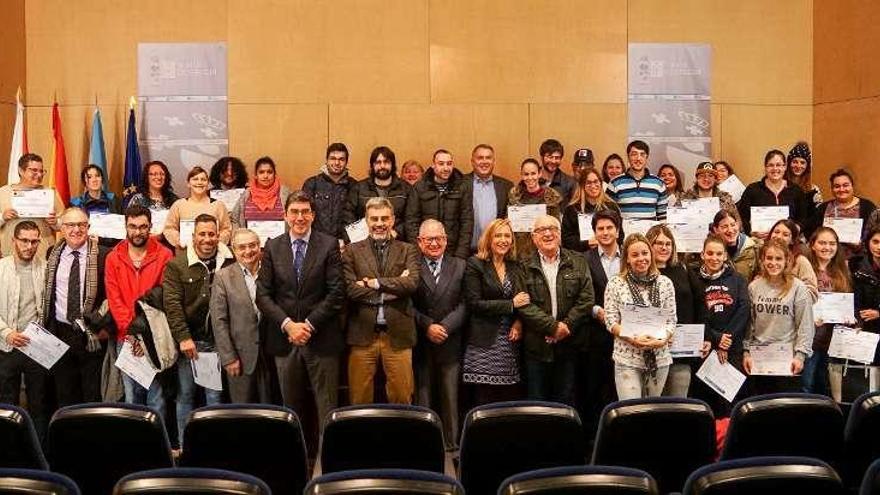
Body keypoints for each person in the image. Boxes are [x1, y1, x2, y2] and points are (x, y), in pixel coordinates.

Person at [256, 192, 345, 426]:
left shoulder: (328, 245)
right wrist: (288, 325)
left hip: (321, 338)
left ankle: (326, 460)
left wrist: (307, 325)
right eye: (294, 212)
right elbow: (263, 295)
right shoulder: (273, 247)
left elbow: (337, 293)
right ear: (285, 216)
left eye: (305, 212)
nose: (300, 217)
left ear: (313, 215)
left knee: (327, 408)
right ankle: (297, 458)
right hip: (284, 340)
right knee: (291, 410)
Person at [163, 213, 235, 445]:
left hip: (219, 342)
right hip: (190, 343)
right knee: (186, 396)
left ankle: (213, 449)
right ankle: (186, 448)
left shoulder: (230, 260)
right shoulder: (177, 265)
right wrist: (183, 337)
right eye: (202, 234)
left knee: (214, 397)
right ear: (193, 236)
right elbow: (172, 304)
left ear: (218, 236)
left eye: (211, 234)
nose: (207, 239)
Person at [343, 197, 420, 404]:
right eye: (374, 218)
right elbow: (350, 290)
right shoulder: (351, 251)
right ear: (366, 221)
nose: (379, 224)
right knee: (359, 399)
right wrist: (396, 286)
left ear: (393, 220)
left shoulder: (408, 249)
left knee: (402, 398)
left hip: (398, 335)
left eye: (384, 218)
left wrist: (372, 284)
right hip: (362, 334)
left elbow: (412, 283)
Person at [518, 215, 594, 406]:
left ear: (560, 234)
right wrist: (553, 327)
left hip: (569, 345)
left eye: (553, 228)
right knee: (536, 404)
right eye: (541, 230)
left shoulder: (577, 260)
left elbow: (587, 299)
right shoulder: (522, 265)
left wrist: (565, 327)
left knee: (566, 402)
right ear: (533, 237)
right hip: (536, 347)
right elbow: (523, 305)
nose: (548, 233)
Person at [105, 205, 173, 414]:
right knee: (132, 396)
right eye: (133, 227)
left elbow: (162, 299)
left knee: (156, 397)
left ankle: (157, 444)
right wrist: (132, 333)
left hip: (154, 338)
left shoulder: (164, 255)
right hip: (126, 338)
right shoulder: (113, 257)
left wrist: (144, 335)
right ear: (126, 226)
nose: (138, 232)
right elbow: (114, 299)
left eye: (143, 227)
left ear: (150, 227)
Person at [41, 207, 111, 406]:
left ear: (88, 227)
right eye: (70, 225)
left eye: (81, 224)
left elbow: (112, 296)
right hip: (60, 333)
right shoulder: (52, 254)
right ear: (61, 228)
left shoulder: (104, 255)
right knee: (65, 394)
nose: (76, 230)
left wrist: (104, 328)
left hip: (92, 334)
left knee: (92, 395)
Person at [412, 219, 466, 451]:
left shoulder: (461, 265)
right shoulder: (411, 264)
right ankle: (424, 445)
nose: (434, 243)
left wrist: (445, 326)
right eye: (429, 239)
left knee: (450, 397)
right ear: (419, 242)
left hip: (450, 340)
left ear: (446, 240)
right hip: (420, 341)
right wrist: (427, 326)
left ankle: (452, 447)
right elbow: (405, 305)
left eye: (439, 238)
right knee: (422, 397)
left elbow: (467, 303)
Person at [604, 233, 677, 399]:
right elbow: (610, 320)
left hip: (659, 358)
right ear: (627, 259)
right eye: (635, 255)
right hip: (627, 358)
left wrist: (663, 339)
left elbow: (671, 320)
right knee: (631, 412)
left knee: (651, 412)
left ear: (651, 254)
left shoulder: (665, 283)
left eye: (645, 253)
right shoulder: (616, 283)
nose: (641, 258)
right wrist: (631, 337)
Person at [463, 218, 527, 405]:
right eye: (498, 235)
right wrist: (510, 305)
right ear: (489, 239)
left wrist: (519, 322)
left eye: (507, 236)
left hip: (509, 340)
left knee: (508, 397)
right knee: (484, 399)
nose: (503, 240)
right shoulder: (475, 263)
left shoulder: (515, 265)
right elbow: (474, 303)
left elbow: (524, 298)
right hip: (483, 341)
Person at [744, 239, 815, 394]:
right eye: (769, 258)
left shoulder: (798, 287)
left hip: (787, 358)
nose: (773, 263)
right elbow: (749, 323)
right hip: (759, 357)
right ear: (762, 260)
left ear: (786, 261)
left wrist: (800, 356)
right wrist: (746, 352)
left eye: (778, 259)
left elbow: (805, 325)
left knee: (784, 411)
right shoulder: (753, 287)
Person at [690, 233, 750, 416]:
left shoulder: (738, 279)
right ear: (702, 255)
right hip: (705, 347)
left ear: (725, 256)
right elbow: (695, 313)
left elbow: (744, 309)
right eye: (710, 253)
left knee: (728, 405)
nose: (714, 258)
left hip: (732, 349)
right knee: (705, 404)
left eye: (718, 254)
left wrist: (726, 340)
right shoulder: (693, 278)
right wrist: (715, 338)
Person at [0, 221, 49, 442]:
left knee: (39, 404)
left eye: (34, 241)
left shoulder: (46, 267)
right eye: (25, 241)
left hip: (35, 347)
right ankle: (9, 454)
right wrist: (6, 332)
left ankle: (39, 457)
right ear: (14, 241)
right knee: (7, 405)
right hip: (6, 345)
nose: (30, 246)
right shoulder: (1, 269)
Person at [211, 229, 272, 404]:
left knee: (271, 410)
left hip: (271, 353)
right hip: (240, 356)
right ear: (233, 250)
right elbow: (219, 320)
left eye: (252, 245)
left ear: (259, 246)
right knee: (242, 410)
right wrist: (229, 358)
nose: (248, 251)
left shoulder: (272, 271)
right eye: (242, 247)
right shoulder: (223, 277)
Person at [580, 210, 622, 437]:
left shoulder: (629, 256)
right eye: (600, 229)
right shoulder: (584, 259)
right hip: (596, 336)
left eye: (609, 228)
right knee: (595, 391)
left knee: (621, 390)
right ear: (594, 232)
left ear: (617, 230)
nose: (605, 233)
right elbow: (580, 296)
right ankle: (595, 441)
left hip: (626, 335)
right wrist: (597, 311)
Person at [646, 224, 700, 397]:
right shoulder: (642, 273)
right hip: (651, 352)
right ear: (649, 245)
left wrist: (704, 337)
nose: (664, 247)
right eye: (659, 243)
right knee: (652, 406)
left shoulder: (683, 269)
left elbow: (700, 303)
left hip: (682, 351)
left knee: (679, 403)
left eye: (668, 243)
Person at [804, 227, 854, 398]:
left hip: (833, 341)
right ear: (812, 245)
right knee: (806, 385)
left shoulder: (843, 272)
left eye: (832, 243)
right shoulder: (804, 269)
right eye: (822, 243)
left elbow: (847, 303)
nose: (827, 247)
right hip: (809, 338)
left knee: (827, 387)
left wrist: (849, 318)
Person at [406, 149, 473, 259]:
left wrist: (461, 255)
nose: (446, 168)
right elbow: (411, 222)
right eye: (441, 164)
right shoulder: (420, 188)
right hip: (425, 252)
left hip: (453, 253)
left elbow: (467, 223)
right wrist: (419, 252)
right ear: (433, 165)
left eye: (449, 164)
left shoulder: (462, 187)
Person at [0, 153, 65, 257]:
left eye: (41, 171)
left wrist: (55, 222)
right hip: (11, 255)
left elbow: (65, 224)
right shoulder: (3, 192)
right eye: (34, 170)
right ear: (21, 171)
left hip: (43, 254)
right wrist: (2, 217)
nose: (39, 175)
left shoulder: (50, 193)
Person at [343, 146, 413, 241]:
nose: (382, 166)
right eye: (378, 162)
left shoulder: (406, 189)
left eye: (386, 162)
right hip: (365, 242)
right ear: (372, 165)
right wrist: (364, 233)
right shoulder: (359, 188)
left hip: (397, 242)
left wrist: (397, 232)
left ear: (393, 165)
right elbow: (348, 216)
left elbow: (411, 219)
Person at [737, 149, 808, 237]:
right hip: (760, 240)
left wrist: (797, 228)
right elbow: (742, 216)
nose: (775, 169)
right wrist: (750, 231)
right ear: (765, 168)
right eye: (771, 165)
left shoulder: (796, 191)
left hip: (788, 241)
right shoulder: (753, 190)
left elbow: (803, 217)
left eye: (778, 165)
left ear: (785, 167)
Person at [810, 169, 876, 259]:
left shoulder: (867, 207)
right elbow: (813, 233)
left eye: (845, 185)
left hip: (859, 259)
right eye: (837, 186)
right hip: (828, 259)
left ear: (852, 186)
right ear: (832, 189)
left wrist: (861, 244)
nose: (841, 189)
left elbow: (875, 234)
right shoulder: (823, 208)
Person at [164, 166, 233, 248]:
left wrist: (217, 243)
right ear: (188, 183)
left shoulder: (218, 205)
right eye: (195, 179)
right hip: (185, 252)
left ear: (208, 184)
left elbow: (226, 229)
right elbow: (169, 228)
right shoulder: (178, 205)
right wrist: (178, 241)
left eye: (203, 179)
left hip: (213, 252)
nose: (199, 182)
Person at [508, 158, 562, 260]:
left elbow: (556, 228)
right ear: (521, 175)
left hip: (544, 251)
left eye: (533, 173)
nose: (530, 177)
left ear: (539, 173)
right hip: (519, 252)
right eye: (526, 174)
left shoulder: (551, 198)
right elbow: (509, 225)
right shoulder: (514, 197)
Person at [462, 144, 513, 252]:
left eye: (488, 158)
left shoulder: (506, 186)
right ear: (472, 161)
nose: (484, 161)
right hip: (466, 252)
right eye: (480, 158)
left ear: (494, 161)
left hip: (496, 251)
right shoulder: (460, 183)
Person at [302, 144, 356, 239]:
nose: (337, 163)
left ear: (346, 162)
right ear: (326, 160)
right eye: (333, 158)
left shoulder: (354, 186)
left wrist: (346, 241)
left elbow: (356, 220)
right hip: (316, 243)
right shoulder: (312, 184)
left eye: (341, 159)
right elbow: (304, 215)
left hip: (343, 245)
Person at [561, 167, 621, 251]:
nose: (593, 186)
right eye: (588, 183)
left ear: (601, 183)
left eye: (596, 181)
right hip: (581, 255)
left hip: (607, 252)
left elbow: (620, 235)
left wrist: (605, 242)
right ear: (582, 186)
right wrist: (587, 243)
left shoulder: (611, 207)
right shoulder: (572, 210)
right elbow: (566, 239)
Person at [851, 226, 880, 396]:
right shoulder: (855, 265)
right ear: (868, 243)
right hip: (863, 331)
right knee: (863, 384)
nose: (879, 247)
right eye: (875, 242)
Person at [608, 140, 668, 221]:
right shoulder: (614, 183)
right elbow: (609, 216)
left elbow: (663, 217)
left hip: (649, 233)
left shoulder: (659, 184)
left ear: (646, 157)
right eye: (634, 154)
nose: (638, 158)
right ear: (628, 157)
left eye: (642, 154)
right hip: (625, 233)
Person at [231, 156, 292, 231]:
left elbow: (294, 217)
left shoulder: (285, 193)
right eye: (261, 172)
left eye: (269, 172)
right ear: (256, 176)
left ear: (275, 175)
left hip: (281, 241)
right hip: (250, 241)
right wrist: (240, 236)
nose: (265, 176)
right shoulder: (247, 193)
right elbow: (234, 218)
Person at [769, 219, 819, 300]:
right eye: (776, 232)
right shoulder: (762, 259)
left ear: (792, 240)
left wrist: (790, 300)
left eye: (785, 234)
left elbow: (812, 292)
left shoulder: (800, 261)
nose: (779, 236)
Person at [712, 209, 759, 282]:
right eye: (724, 227)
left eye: (733, 225)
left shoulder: (754, 248)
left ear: (738, 225)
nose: (730, 230)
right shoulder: (711, 252)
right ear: (716, 230)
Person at [784, 142, 822, 210]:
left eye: (802, 163)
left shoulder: (813, 189)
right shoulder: (781, 185)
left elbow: (818, 213)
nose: (798, 166)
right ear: (789, 163)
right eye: (795, 162)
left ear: (807, 166)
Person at [538, 139, 576, 206]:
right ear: (542, 157)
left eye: (557, 158)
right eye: (550, 157)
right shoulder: (532, 179)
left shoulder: (569, 183)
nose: (553, 161)